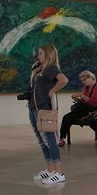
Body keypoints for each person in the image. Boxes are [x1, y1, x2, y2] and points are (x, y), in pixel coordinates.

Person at [29, 45, 68, 184]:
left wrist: (52, 90)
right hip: (34, 108)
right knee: (42, 140)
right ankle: (50, 169)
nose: (38, 56)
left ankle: (59, 172)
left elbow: (63, 80)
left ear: (48, 54)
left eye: (41, 53)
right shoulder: (40, 69)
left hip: (44, 108)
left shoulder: (51, 68)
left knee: (50, 140)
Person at [58, 70, 97, 146]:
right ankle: (61, 137)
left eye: (84, 80)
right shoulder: (86, 87)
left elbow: (93, 101)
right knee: (66, 117)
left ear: (90, 77)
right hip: (85, 107)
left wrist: (82, 96)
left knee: (70, 117)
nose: (83, 82)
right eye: (82, 80)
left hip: (94, 108)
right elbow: (84, 100)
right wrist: (77, 98)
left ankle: (61, 138)